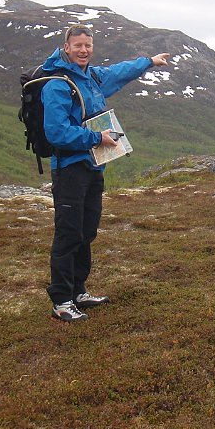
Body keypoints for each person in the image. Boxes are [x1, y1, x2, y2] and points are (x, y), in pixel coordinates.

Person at [42, 24, 171, 322]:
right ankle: (62, 300)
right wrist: (96, 139)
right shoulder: (57, 85)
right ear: (66, 46)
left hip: (92, 166)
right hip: (70, 169)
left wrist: (148, 62)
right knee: (68, 234)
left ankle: (78, 290)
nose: (83, 50)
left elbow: (118, 72)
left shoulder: (92, 77)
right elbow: (56, 132)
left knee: (86, 231)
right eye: (78, 46)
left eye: (88, 45)